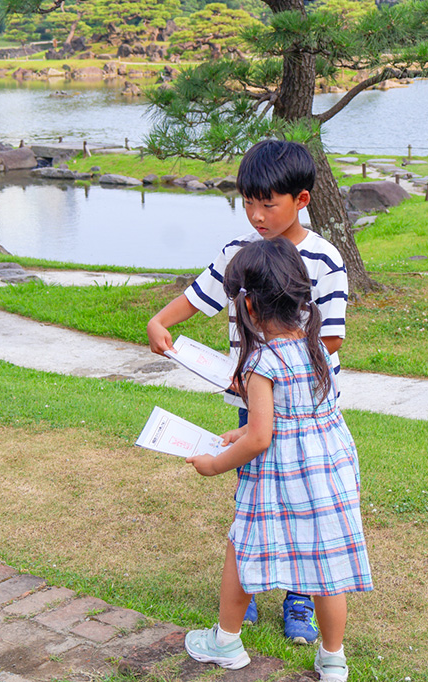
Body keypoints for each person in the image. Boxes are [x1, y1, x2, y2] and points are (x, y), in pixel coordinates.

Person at [147, 139, 350, 644]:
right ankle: (249, 592)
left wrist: (268, 366)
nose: (258, 216)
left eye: (269, 204)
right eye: (249, 203)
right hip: (250, 402)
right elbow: (201, 294)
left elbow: (331, 336)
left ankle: (300, 602)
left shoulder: (323, 258)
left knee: (306, 503)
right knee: (257, 499)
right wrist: (161, 320)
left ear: (301, 200)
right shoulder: (240, 251)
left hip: (305, 408)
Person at [182, 238, 372, 679]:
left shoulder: (260, 362)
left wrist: (215, 462)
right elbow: (301, 413)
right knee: (328, 567)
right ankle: (332, 659)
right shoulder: (318, 348)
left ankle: (226, 641)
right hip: (328, 470)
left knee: (242, 546)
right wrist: (244, 430)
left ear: (248, 308)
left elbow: (262, 437)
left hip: (280, 476)